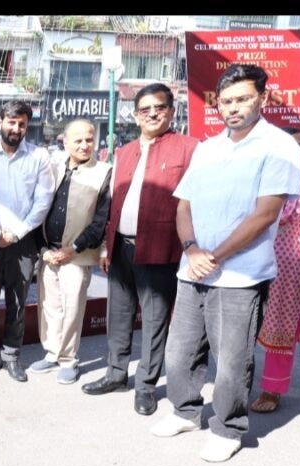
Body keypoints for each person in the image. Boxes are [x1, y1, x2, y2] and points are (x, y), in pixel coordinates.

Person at [150, 64, 300, 463]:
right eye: (226, 101)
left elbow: (265, 214)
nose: (233, 108)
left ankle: (228, 428)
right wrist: (192, 249)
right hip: (193, 269)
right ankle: (184, 412)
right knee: (180, 352)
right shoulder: (208, 148)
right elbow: (184, 205)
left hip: (241, 275)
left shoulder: (279, 146)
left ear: (263, 98)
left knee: (232, 360)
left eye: (243, 99)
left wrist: (214, 256)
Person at [81, 83, 200, 417]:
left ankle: (146, 385)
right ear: (135, 116)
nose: (152, 114)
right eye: (145, 109)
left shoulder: (190, 149)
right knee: (118, 316)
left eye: (159, 107)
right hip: (121, 246)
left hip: (161, 248)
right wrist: (106, 248)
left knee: (154, 320)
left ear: (171, 111)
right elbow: (112, 201)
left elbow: (196, 203)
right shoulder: (125, 152)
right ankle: (116, 374)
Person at [0, 100, 54, 382]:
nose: (16, 128)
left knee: (17, 303)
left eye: (22, 124)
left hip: (23, 242)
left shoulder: (39, 157)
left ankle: (11, 355)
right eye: (11, 122)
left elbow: (43, 200)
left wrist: (16, 233)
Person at [250, 127, 300, 413]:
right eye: (291, 144)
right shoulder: (256, 179)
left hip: (291, 268)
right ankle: (236, 383)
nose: (297, 150)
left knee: (282, 331)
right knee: (241, 325)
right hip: (250, 260)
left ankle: (272, 389)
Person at [28, 119, 111, 385]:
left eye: (89, 140)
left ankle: (68, 359)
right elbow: (38, 206)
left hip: (77, 254)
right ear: (64, 142)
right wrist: (43, 249)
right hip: (48, 252)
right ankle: (52, 353)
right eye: (78, 140)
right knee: (49, 305)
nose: (85, 145)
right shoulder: (53, 167)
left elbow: (101, 220)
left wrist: (73, 249)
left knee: (72, 307)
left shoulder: (104, 173)